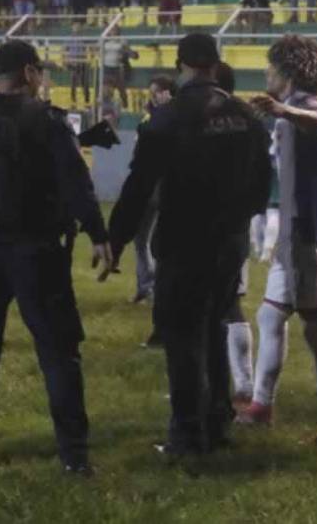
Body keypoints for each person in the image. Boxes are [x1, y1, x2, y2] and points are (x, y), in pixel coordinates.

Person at [104, 33, 271, 456]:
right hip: (229, 240)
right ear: (216, 65)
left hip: (183, 238)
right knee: (214, 325)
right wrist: (238, 221)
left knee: (181, 335)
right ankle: (217, 421)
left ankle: (187, 434)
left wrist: (117, 237)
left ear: (182, 66)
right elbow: (262, 184)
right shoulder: (246, 116)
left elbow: (139, 184)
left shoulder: (168, 117)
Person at [0, 41, 110, 474]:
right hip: (37, 249)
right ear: (28, 72)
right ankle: (74, 456)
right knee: (59, 352)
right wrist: (98, 233)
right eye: (40, 71)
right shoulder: (48, 121)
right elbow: (75, 181)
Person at [234, 37, 317, 445]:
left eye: (271, 68)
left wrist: (284, 109)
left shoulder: (310, 104)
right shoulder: (299, 107)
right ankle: (262, 406)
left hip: (309, 229)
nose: (267, 75)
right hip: (296, 229)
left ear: (287, 70)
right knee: (271, 317)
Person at [129, 75, 175, 311]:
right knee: (140, 239)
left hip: (163, 188)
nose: (150, 96)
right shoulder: (149, 117)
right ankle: (145, 286)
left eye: (155, 92)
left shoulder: (171, 119)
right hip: (147, 187)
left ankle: (157, 288)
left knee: (159, 242)